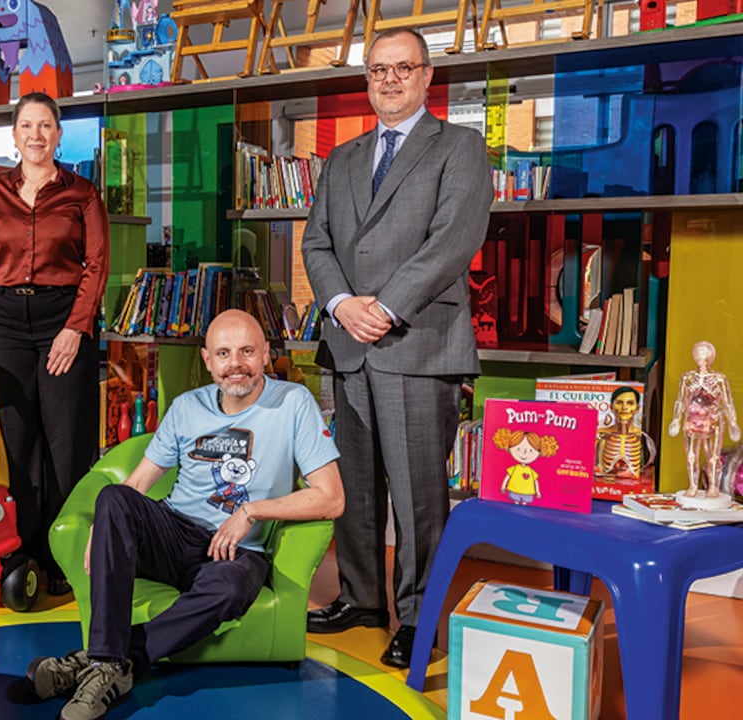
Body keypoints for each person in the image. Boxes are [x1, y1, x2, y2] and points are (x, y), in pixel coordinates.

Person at [26, 310, 344, 720]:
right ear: (208, 361)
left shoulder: (293, 403)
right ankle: (108, 663)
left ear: (266, 354)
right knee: (113, 499)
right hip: (173, 532)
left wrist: (251, 510)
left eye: (247, 351)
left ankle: (101, 663)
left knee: (230, 592)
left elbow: (332, 499)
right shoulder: (186, 407)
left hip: (237, 550)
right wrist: (103, 527)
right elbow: (137, 483)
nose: (236, 364)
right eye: (224, 353)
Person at [300, 27, 493, 668]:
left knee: (417, 495)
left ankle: (418, 616)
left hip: (417, 342)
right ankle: (361, 597)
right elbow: (316, 245)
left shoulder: (460, 148)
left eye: (402, 68)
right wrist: (339, 305)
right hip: (347, 344)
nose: (389, 79)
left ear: (427, 75)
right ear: (367, 80)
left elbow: (452, 241)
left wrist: (381, 307)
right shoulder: (344, 159)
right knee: (351, 487)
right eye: (378, 70)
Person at [0, 91, 108, 595]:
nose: (36, 135)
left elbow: (96, 266)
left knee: (66, 439)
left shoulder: (83, 193)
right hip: (6, 319)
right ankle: (20, 549)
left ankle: (63, 552)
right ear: (14, 135)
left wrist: (76, 328)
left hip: (63, 316)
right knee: (16, 438)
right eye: (27, 126)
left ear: (58, 135)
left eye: (46, 126)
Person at [668, 340, 740, 498]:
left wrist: (733, 423)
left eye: (704, 352)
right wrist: (676, 420)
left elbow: (728, 402)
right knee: (691, 455)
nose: (701, 356)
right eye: (698, 352)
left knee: (712, 456)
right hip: (691, 420)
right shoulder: (687, 377)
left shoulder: (719, 378)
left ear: (710, 356)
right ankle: (693, 486)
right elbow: (680, 400)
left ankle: (713, 486)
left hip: (713, 420)